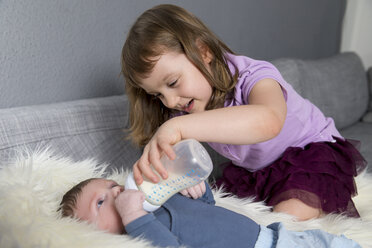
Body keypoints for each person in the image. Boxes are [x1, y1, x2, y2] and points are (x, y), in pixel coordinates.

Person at [120, 4, 367, 221]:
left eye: (172, 82)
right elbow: (179, 162)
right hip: (259, 170)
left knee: (289, 217)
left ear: (204, 53)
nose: (170, 100)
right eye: (158, 95)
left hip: (312, 153)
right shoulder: (182, 109)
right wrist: (181, 177)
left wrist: (177, 128)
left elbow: (268, 121)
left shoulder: (254, 76)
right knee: (221, 213)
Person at [59, 177, 360, 248]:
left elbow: (208, 211)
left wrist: (196, 189)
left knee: (334, 242)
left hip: (277, 236)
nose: (115, 193)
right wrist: (135, 218)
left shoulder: (161, 204)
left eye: (113, 186)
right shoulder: (146, 232)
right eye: (101, 203)